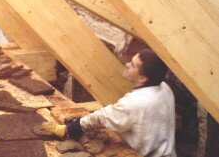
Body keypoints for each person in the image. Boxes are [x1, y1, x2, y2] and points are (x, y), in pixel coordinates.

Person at [38, 49, 176, 157]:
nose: (127, 64)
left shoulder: (135, 102)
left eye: (133, 65)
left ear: (142, 77)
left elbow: (102, 117)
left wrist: (67, 129)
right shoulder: (163, 87)